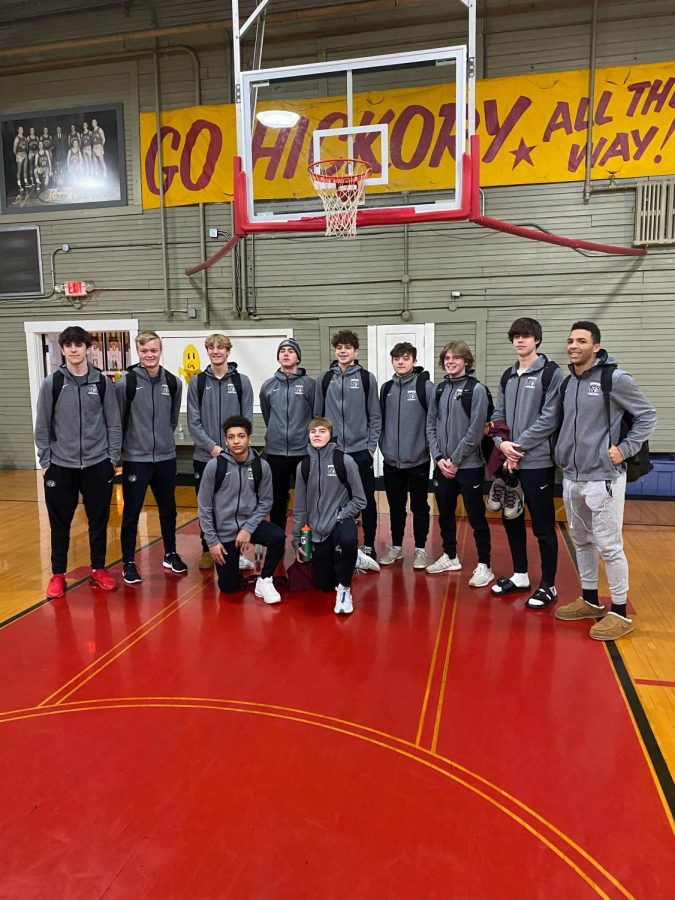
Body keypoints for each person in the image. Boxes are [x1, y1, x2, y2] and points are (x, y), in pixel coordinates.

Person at [553, 321, 656, 640]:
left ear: (595, 346)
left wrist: (624, 450)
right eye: (570, 340)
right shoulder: (568, 383)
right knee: (581, 541)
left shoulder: (615, 378)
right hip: (572, 476)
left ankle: (621, 613)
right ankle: (590, 600)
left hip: (605, 478)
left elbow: (647, 415)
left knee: (609, 546)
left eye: (581, 341)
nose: (573, 345)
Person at [34, 325, 122, 598]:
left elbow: (114, 424)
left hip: (98, 465)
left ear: (87, 349)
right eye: (69, 345)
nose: (74, 349)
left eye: (79, 345)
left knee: (99, 520)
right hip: (61, 466)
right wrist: (47, 460)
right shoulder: (53, 383)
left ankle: (98, 569)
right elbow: (42, 426)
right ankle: (58, 574)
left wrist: (111, 459)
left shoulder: (102, 383)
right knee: (59, 523)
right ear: (62, 349)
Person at [489, 317, 563, 608]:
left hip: (537, 462)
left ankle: (549, 585)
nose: (520, 341)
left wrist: (516, 448)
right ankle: (520, 574)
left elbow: (549, 418)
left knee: (543, 526)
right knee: (512, 519)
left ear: (537, 340)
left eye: (526, 336)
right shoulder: (508, 375)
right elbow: (498, 414)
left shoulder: (551, 374)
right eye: (516, 336)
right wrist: (501, 444)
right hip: (509, 460)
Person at [115, 331, 187, 585]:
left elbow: (172, 418)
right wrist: (124, 451)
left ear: (160, 350)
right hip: (137, 458)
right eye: (144, 351)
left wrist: (163, 440)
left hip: (166, 458)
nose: (150, 355)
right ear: (138, 352)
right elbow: (118, 420)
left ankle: (170, 553)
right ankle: (128, 562)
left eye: (154, 350)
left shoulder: (174, 382)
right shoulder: (127, 383)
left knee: (168, 509)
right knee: (132, 513)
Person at [292, 417, 378, 615]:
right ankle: (353, 559)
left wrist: (340, 515)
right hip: (317, 530)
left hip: (340, 522)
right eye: (313, 432)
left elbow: (360, 500)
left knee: (348, 539)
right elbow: (299, 508)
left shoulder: (344, 461)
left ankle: (345, 590)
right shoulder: (303, 467)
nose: (317, 435)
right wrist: (297, 541)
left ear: (331, 435)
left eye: (322, 431)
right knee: (324, 585)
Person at [425, 341, 494, 586]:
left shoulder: (476, 390)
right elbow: (430, 425)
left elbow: (476, 432)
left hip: (468, 466)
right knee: (444, 514)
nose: (450, 361)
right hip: (443, 466)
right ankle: (450, 556)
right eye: (447, 357)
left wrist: (454, 460)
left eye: (456, 357)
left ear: (466, 361)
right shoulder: (439, 389)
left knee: (476, 517)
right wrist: (439, 458)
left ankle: (485, 565)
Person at [197, 416, 286, 604]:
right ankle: (235, 558)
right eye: (231, 437)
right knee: (228, 588)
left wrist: (248, 529)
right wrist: (212, 542)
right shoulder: (215, 466)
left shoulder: (261, 466)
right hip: (225, 530)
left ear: (249, 438)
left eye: (241, 436)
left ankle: (265, 579)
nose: (236, 441)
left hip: (249, 525)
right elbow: (204, 507)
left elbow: (266, 502)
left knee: (278, 536)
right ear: (226, 440)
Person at [187, 333, 255, 570]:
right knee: (207, 504)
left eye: (221, 348)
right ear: (207, 351)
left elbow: (246, 420)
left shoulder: (241, 382)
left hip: (235, 457)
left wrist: (231, 448)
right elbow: (193, 422)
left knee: (234, 503)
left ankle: (238, 548)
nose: (216, 351)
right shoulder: (196, 382)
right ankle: (207, 547)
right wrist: (212, 447)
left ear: (228, 351)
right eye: (211, 348)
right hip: (205, 457)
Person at [313, 329, 381, 559]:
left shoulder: (366, 378)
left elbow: (375, 415)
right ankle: (338, 542)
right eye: (339, 347)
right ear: (335, 350)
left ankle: (369, 544)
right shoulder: (325, 379)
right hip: (333, 452)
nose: (343, 351)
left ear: (355, 351)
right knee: (337, 499)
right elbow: (317, 417)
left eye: (347, 347)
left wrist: (370, 447)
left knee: (366, 499)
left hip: (360, 451)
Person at [378, 341, 434, 569]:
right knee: (396, 507)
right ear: (392, 361)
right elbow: (380, 419)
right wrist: (385, 446)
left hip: (418, 459)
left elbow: (433, 421)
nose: (401, 362)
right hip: (392, 460)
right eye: (397, 358)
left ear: (414, 361)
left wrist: (427, 448)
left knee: (420, 506)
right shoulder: (386, 388)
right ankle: (397, 547)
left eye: (406, 358)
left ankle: (420, 549)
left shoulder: (425, 387)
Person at [259, 338, 315, 531]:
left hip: (303, 452)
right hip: (276, 452)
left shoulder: (309, 385)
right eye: (282, 350)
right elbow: (268, 416)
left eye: (290, 350)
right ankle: (277, 539)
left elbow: (316, 417)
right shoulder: (268, 386)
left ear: (298, 357)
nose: (286, 353)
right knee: (277, 498)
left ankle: (307, 540)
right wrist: (277, 433)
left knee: (306, 497)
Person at [13, 125, 29, 191]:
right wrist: (17, 155)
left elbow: (26, 147)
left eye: (22, 129)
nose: (22, 130)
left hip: (24, 154)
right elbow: (14, 149)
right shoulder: (17, 138)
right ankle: (19, 185)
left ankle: (26, 183)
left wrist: (26, 154)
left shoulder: (25, 138)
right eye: (20, 129)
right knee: (19, 171)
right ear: (18, 130)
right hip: (19, 155)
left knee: (25, 170)